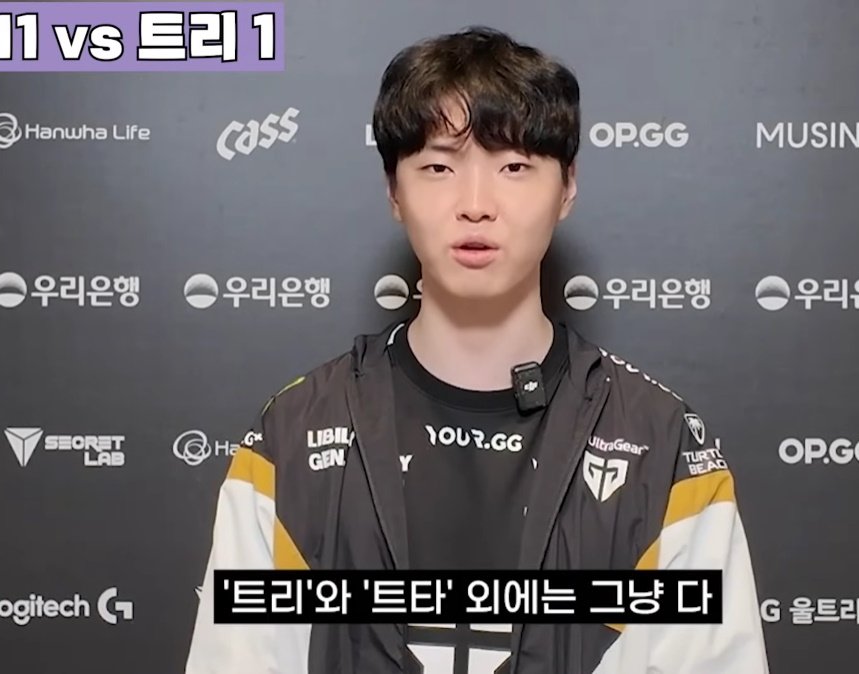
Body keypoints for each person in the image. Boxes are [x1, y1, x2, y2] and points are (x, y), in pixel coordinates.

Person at [185, 26, 770, 674]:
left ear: (567, 187)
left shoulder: (663, 446)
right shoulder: (292, 436)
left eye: (514, 166)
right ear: (394, 191)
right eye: (439, 167)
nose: (475, 205)